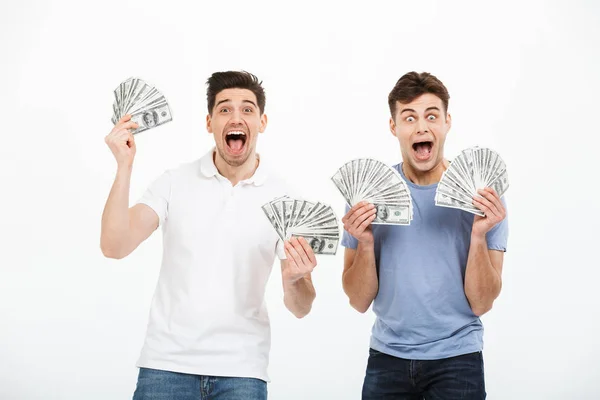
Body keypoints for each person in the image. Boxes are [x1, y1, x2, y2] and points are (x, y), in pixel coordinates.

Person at [101, 71, 318, 400]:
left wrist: (293, 280)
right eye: (225, 109)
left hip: (242, 373)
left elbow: (301, 307)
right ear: (209, 122)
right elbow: (115, 245)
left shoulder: (285, 201)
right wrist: (124, 166)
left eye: (247, 109)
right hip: (166, 366)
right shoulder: (174, 182)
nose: (236, 117)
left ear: (262, 122)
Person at [341, 71, 508, 399]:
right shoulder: (367, 195)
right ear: (394, 127)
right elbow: (358, 300)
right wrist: (365, 241)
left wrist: (477, 235)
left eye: (431, 116)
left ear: (447, 122)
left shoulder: (484, 197)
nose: (421, 127)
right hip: (386, 359)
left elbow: (483, 302)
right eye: (409, 117)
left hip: (458, 358)